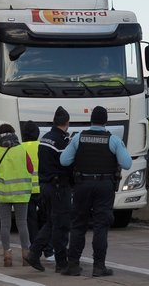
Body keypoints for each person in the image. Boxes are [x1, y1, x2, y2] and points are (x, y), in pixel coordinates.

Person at [60, 106, 131, 277]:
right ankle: (99, 266)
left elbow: (64, 161)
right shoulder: (113, 140)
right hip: (104, 185)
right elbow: (127, 163)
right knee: (101, 226)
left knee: (78, 225)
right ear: (105, 121)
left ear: (91, 120)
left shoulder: (78, 138)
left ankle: (73, 265)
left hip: (82, 185)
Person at [25, 107, 72, 273]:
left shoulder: (45, 138)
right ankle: (60, 262)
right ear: (66, 123)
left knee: (52, 222)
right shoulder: (62, 141)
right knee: (62, 224)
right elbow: (67, 164)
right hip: (59, 187)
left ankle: (35, 252)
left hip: (44, 185)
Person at [0, 123, 34, 267]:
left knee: (5, 224)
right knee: (22, 224)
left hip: (2, 194)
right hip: (21, 193)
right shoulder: (22, 149)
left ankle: (7, 254)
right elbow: (30, 169)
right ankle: (26, 254)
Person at [21, 121, 43, 254]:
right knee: (45, 218)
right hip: (42, 188)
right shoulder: (42, 146)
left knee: (30, 220)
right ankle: (46, 246)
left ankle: (34, 246)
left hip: (26, 190)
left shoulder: (19, 148)